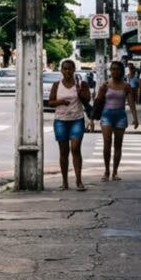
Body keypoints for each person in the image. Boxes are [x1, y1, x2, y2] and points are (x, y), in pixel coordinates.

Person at [47, 59, 90, 191]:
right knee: (63, 152)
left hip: (77, 119)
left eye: (70, 69)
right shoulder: (56, 85)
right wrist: (60, 101)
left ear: (74, 70)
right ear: (61, 70)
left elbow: (87, 100)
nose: (67, 71)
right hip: (60, 120)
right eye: (65, 69)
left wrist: (79, 91)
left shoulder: (81, 84)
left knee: (76, 149)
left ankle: (79, 181)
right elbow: (50, 102)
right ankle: (65, 182)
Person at [94, 60, 140, 182]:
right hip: (106, 115)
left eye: (117, 69)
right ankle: (106, 171)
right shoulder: (105, 85)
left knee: (118, 145)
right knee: (107, 143)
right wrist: (92, 119)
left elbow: (131, 103)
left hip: (120, 115)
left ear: (121, 71)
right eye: (112, 69)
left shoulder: (126, 86)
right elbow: (98, 101)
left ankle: (115, 172)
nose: (114, 71)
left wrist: (135, 118)